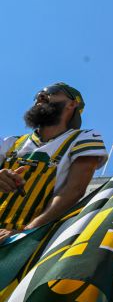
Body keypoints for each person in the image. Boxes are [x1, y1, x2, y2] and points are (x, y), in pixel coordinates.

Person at [0, 83, 106, 243]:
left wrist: (25, 234)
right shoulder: (10, 142)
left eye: (51, 92)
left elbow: (74, 190)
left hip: (30, 243)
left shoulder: (84, 138)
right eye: (38, 94)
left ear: (72, 104)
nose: (41, 96)